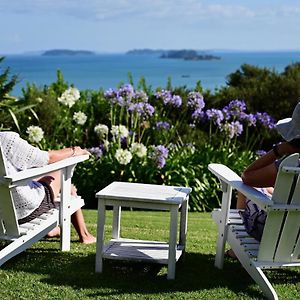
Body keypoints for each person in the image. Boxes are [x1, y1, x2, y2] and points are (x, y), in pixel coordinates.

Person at [226, 102, 300, 259]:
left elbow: (247, 176)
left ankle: (237, 247)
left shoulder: (291, 165)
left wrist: (278, 150)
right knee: (270, 190)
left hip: (277, 233)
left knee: (246, 188)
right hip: (297, 237)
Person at [0, 131, 96, 244]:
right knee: (63, 173)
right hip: (21, 212)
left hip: (2, 216)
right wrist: (74, 151)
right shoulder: (5, 139)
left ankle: (53, 230)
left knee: (51, 179)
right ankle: (85, 235)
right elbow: (47, 158)